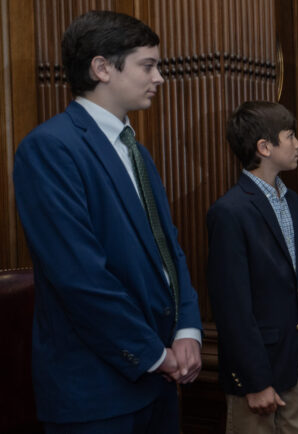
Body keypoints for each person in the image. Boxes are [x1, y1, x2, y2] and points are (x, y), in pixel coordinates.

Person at [13, 11, 202, 432]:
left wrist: (187, 327)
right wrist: (153, 354)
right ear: (102, 68)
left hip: (159, 381)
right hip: (96, 390)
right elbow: (79, 276)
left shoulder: (136, 149)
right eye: (148, 65)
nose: (159, 78)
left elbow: (168, 248)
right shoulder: (50, 147)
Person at [207, 101, 298, 433]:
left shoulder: (293, 201)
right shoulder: (230, 212)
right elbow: (232, 307)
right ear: (264, 147)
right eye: (290, 136)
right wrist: (255, 380)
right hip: (258, 362)